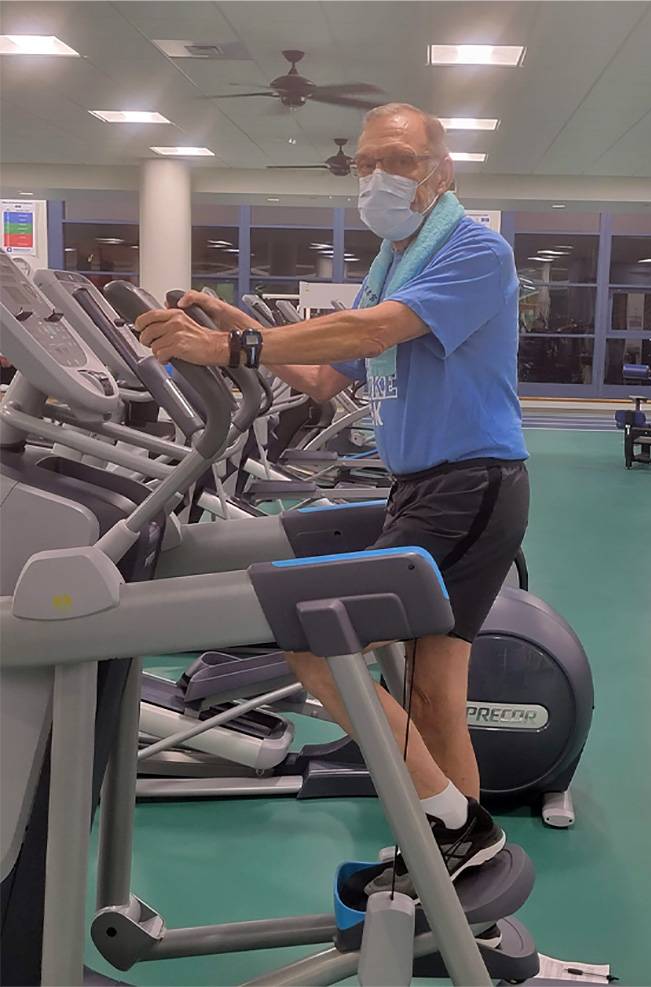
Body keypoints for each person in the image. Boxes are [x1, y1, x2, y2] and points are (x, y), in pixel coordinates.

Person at [135, 102, 529, 898]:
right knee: (433, 695)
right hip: (430, 485)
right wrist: (236, 320)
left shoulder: (474, 250)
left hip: (469, 488)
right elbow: (323, 376)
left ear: (439, 170)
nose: (380, 176)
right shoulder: (395, 254)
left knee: (317, 636)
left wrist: (232, 345)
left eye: (400, 159)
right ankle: (454, 861)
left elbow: (374, 331)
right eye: (366, 163)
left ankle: (454, 827)